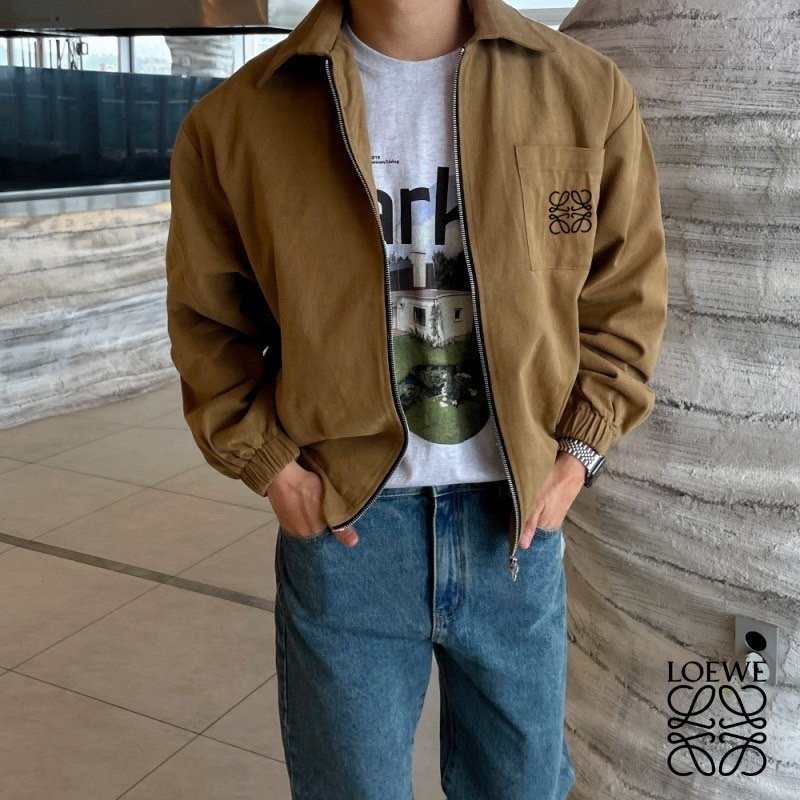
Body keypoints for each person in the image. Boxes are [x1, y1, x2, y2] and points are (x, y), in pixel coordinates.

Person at [164, 0, 669, 796]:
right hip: (350, 532)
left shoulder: (583, 92)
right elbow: (208, 324)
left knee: (521, 787)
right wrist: (272, 466)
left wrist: (577, 457)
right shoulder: (239, 120)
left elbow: (624, 300)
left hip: (515, 526)